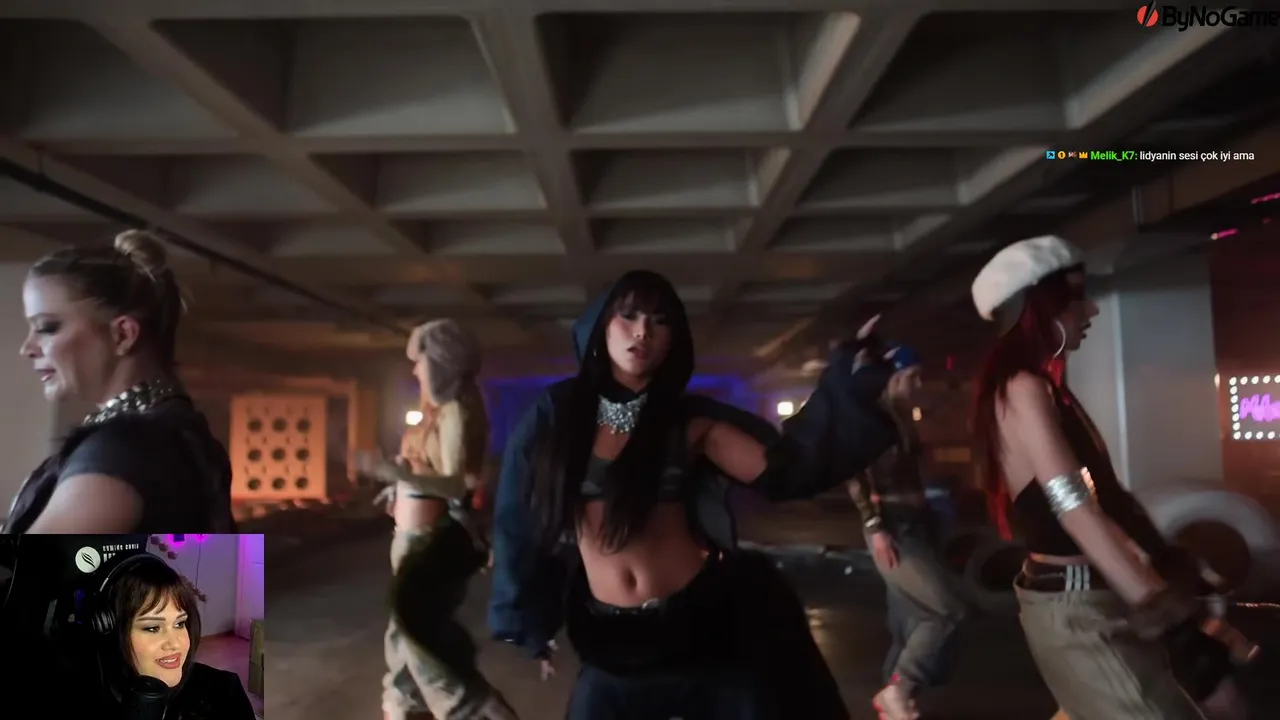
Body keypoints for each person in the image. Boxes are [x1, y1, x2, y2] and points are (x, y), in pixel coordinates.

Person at [488, 270, 916, 719]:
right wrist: (525, 618)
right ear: (600, 326)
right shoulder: (558, 417)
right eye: (628, 316)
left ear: (673, 340)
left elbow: (788, 469)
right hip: (612, 648)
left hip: (700, 638)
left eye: (659, 321)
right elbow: (518, 517)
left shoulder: (690, 423)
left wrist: (850, 381)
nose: (642, 331)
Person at [970, 235, 1253, 720]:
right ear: (1038, 309)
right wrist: (1174, 623)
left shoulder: (1049, 390)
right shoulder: (1023, 389)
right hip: (1078, 612)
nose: (1092, 310)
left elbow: (1110, 498)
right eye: (1076, 297)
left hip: (1096, 598)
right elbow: (1075, 510)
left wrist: (1166, 565)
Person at [4, 229, 234, 534]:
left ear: (123, 335)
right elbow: (209, 565)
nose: (27, 348)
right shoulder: (177, 433)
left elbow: (31, 569)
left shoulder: (121, 451)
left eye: (47, 327)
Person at [361, 319, 517, 720]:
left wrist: (394, 473)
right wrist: (398, 485)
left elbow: (456, 483)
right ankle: (406, 706)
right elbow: (424, 469)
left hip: (428, 540)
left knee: (419, 635)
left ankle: (474, 708)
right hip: (410, 534)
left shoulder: (455, 413)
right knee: (403, 632)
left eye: (422, 361)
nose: (415, 370)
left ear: (443, 363)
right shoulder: (432, 412)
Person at [846, 343, 968, 720]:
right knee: (946, 610)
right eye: (910, 377)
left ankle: (893, 703)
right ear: (892, 376)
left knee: (909, 620)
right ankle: (899, 688)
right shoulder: (871, 417)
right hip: (892, 525)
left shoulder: (901, 415)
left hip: (916, 521)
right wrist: (875, 526)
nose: (917, 385)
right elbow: (855, 474)